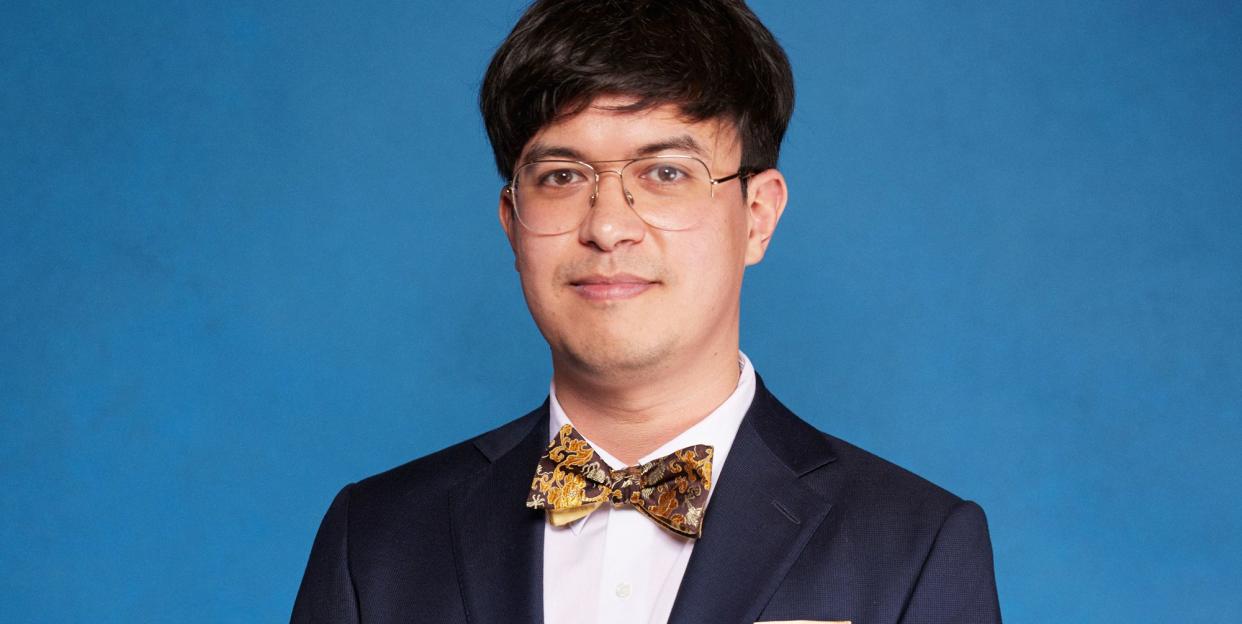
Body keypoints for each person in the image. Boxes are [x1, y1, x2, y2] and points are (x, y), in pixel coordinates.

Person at [291, 1, 1002, 622]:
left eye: (665, 173)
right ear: (512, 223)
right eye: (562, 177)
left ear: (757, 216)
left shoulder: (915, 544)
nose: (608, 226)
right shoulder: (377, 539)